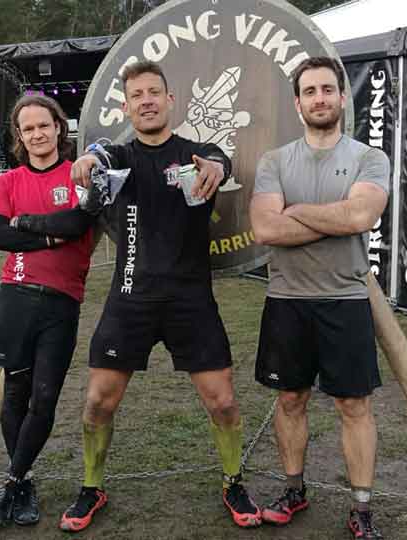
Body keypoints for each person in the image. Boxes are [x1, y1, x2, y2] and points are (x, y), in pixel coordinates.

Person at [17, 60, 261, 532]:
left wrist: (216, 167)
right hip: (130, 298)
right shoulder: (118, 156)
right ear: (126, 107)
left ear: (170, 100)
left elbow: (219, 158)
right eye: (136, 95)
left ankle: (233, 482)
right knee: (97, 404)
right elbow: (98, 156)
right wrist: (88, 160)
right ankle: (92, 487)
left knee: (224, 403)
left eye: (153, 92)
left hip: (190, 301)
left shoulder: (196, 154)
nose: (146, 101)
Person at [250, 56, 389, 540]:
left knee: (354, 406)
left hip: (345, 299)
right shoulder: (274, 161)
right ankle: (293, 491)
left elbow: (360, 217)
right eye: (309, 91)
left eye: (327, 89)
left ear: (342, 97)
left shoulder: (370, 158)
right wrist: (335, 215)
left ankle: (362, 509)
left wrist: (296, 210)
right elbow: (265, 229)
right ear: (297, 103)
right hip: (286, 299)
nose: (320, 98)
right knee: (290, 399)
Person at [0, 94, 95, 528]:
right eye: (27, 128)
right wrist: (49, 238)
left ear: (58, 127)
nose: (37, 134)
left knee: (44, 398)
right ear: (19, 135)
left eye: (43, 125)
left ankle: (10, 483)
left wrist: (26, 224)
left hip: (62, 301)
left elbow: (77, 224)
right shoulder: (8, 182)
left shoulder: (77, 174)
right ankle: (23, 483)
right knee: (16, 395)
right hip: (16, 295)